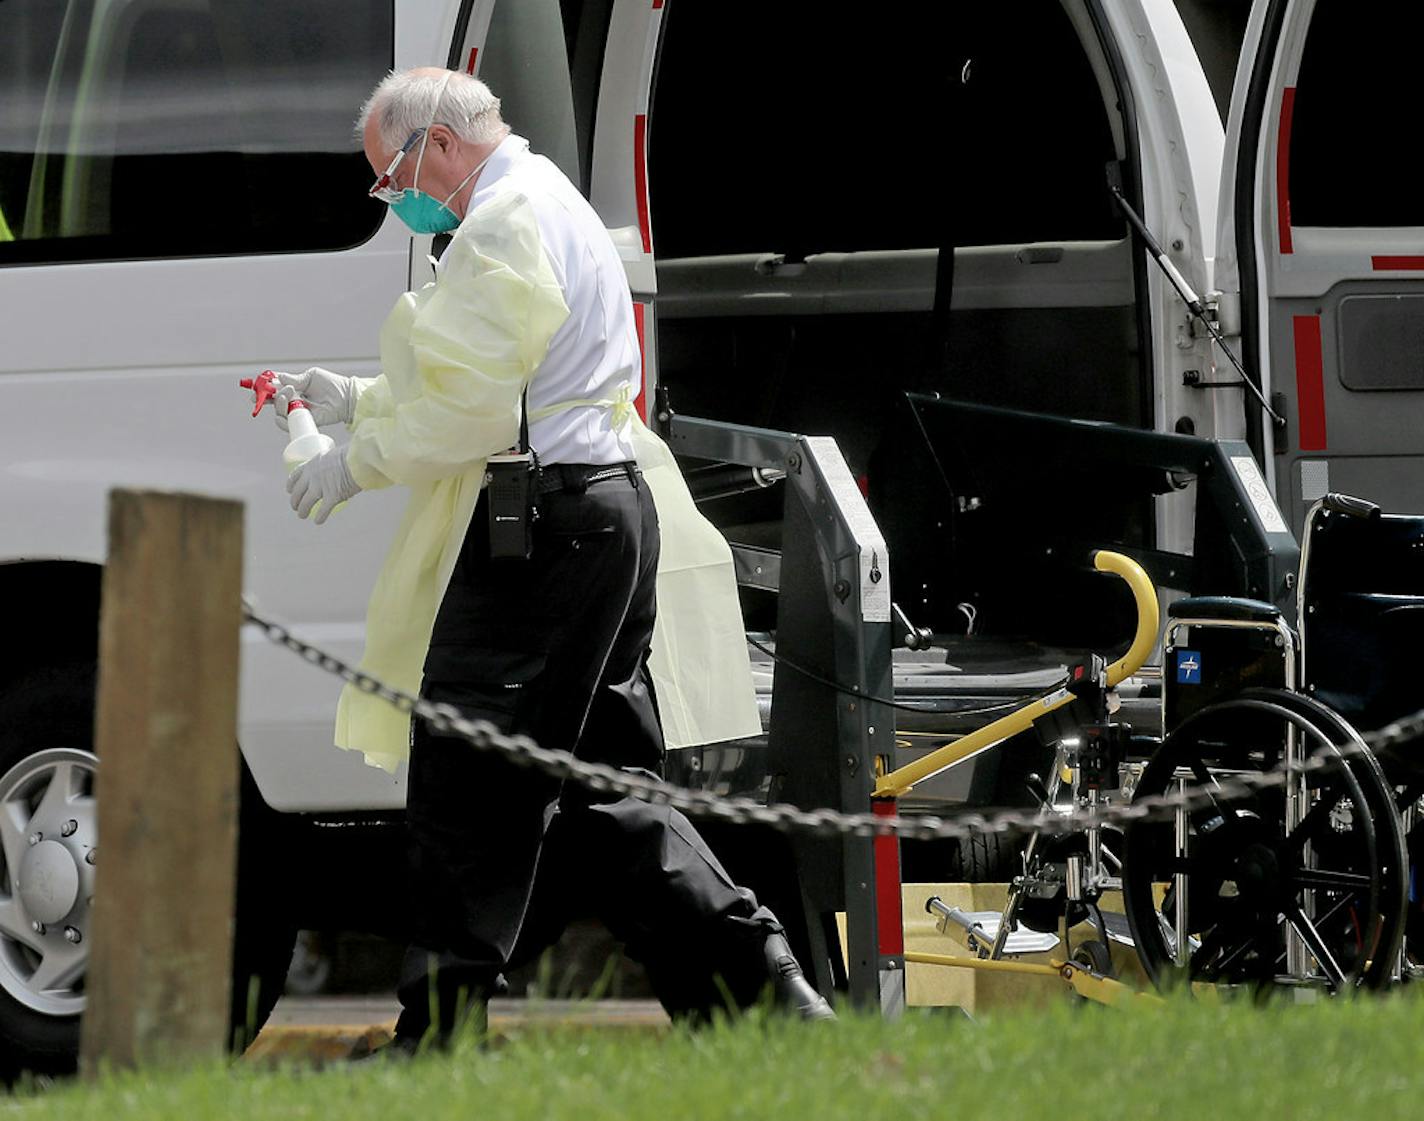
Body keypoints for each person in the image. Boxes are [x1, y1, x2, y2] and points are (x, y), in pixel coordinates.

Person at [262, 67, 833, 1049]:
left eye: (385, 174)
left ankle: (435, 1041)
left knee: (464, 773)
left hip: (545, 529)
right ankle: (761, 993)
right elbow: (500, 379)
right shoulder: (544, 202)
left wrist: (346, 464)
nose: (387, 197)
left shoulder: (496, 224)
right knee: (596, 784)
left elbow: (474, 409)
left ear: (435, 145)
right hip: (605, 511)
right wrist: (351, 396)